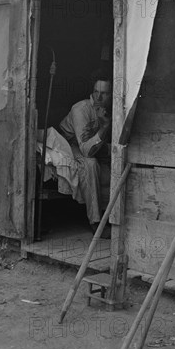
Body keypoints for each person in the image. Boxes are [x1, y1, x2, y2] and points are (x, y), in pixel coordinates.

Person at [59, 75, 112, 237]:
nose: (99, 97)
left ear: (111, 95)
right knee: (90, 164)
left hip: (92, 145)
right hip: (68, 144)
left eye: (104, 93)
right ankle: (95, 222)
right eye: (96, 91)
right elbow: (87, 151)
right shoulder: (80, 109)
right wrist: (104, 127)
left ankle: (111, 216)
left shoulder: (112, 109)